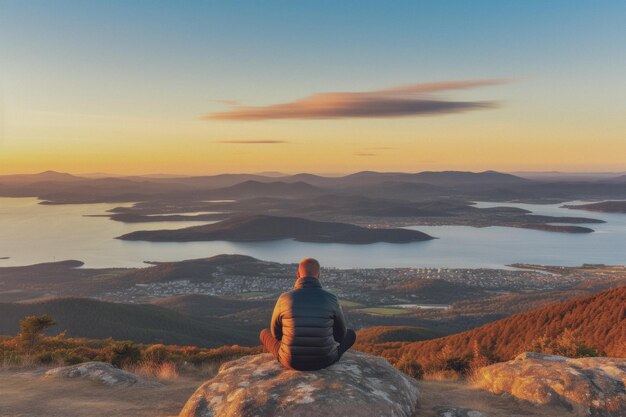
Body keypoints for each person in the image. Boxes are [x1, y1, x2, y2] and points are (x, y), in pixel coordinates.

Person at [259, 257, 356, 371]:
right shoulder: (331, 299)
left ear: (298, 274)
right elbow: (340, 336)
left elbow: (276, 334)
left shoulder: (284, 298)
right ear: (318, 275)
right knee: (351, 334)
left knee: (264, 333)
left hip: (290, 361)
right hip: (325, 360)